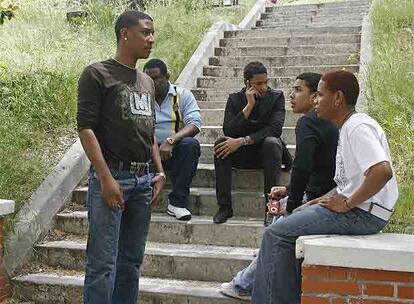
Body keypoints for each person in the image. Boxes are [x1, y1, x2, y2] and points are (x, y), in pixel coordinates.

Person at [252, 70, 399, 304]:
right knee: (288, 224)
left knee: (276, 234)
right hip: (361, 210)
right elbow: (348, 184)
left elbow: (382, 171)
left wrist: (349, 203)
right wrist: (311, 203)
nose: (316, 100)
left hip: (362, 214)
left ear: (338, 98)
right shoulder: (348, 127)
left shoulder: (358, 127)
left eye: (320, 95)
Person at [219, 72, 339, 300]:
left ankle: (243, 285)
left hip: (319, 198)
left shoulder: (308, 122)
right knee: (278, 201)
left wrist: (293, 204)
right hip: (317, 191)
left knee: (278, 225)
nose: (291, 95)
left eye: (298, 90)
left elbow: (302, 167)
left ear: (315, 96)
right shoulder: (321, 120)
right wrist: (289, 192)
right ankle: (262, 254)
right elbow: (316, 167)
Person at [77, 11, 166, 304]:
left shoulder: (146, 81)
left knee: (131, 262)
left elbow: (149, 130)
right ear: (125, 34)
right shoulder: (97, 73)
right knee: (102, 264)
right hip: (113, 177)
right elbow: (86, 128)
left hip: (143, 181)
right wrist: (105, 178)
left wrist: (159, 171)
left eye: (153, 33)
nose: (151, 39)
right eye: (145, 32)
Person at [213, 61, 285, 224]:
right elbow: (229, 130)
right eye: (259, 83)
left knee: (272, 142)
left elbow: (275, 130)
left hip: (267, 153)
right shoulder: (234, 99)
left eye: (266, 82)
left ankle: (272, 210)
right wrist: (249, 105)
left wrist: (243, 141)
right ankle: (224, 206)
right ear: (247, 83)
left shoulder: (276, 97)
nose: (264, 87)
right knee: (221, 143)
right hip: (243, 155)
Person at [143, 58, 201, 221]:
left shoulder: (182, 95)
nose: (151, 83)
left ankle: (177, 203)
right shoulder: (140, 97)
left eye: (155, 78)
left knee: (191, 145)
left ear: (167, 76)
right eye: (147, 79)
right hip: (147, 150)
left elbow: (195, 124)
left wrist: (171, 141)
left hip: (172, 151)